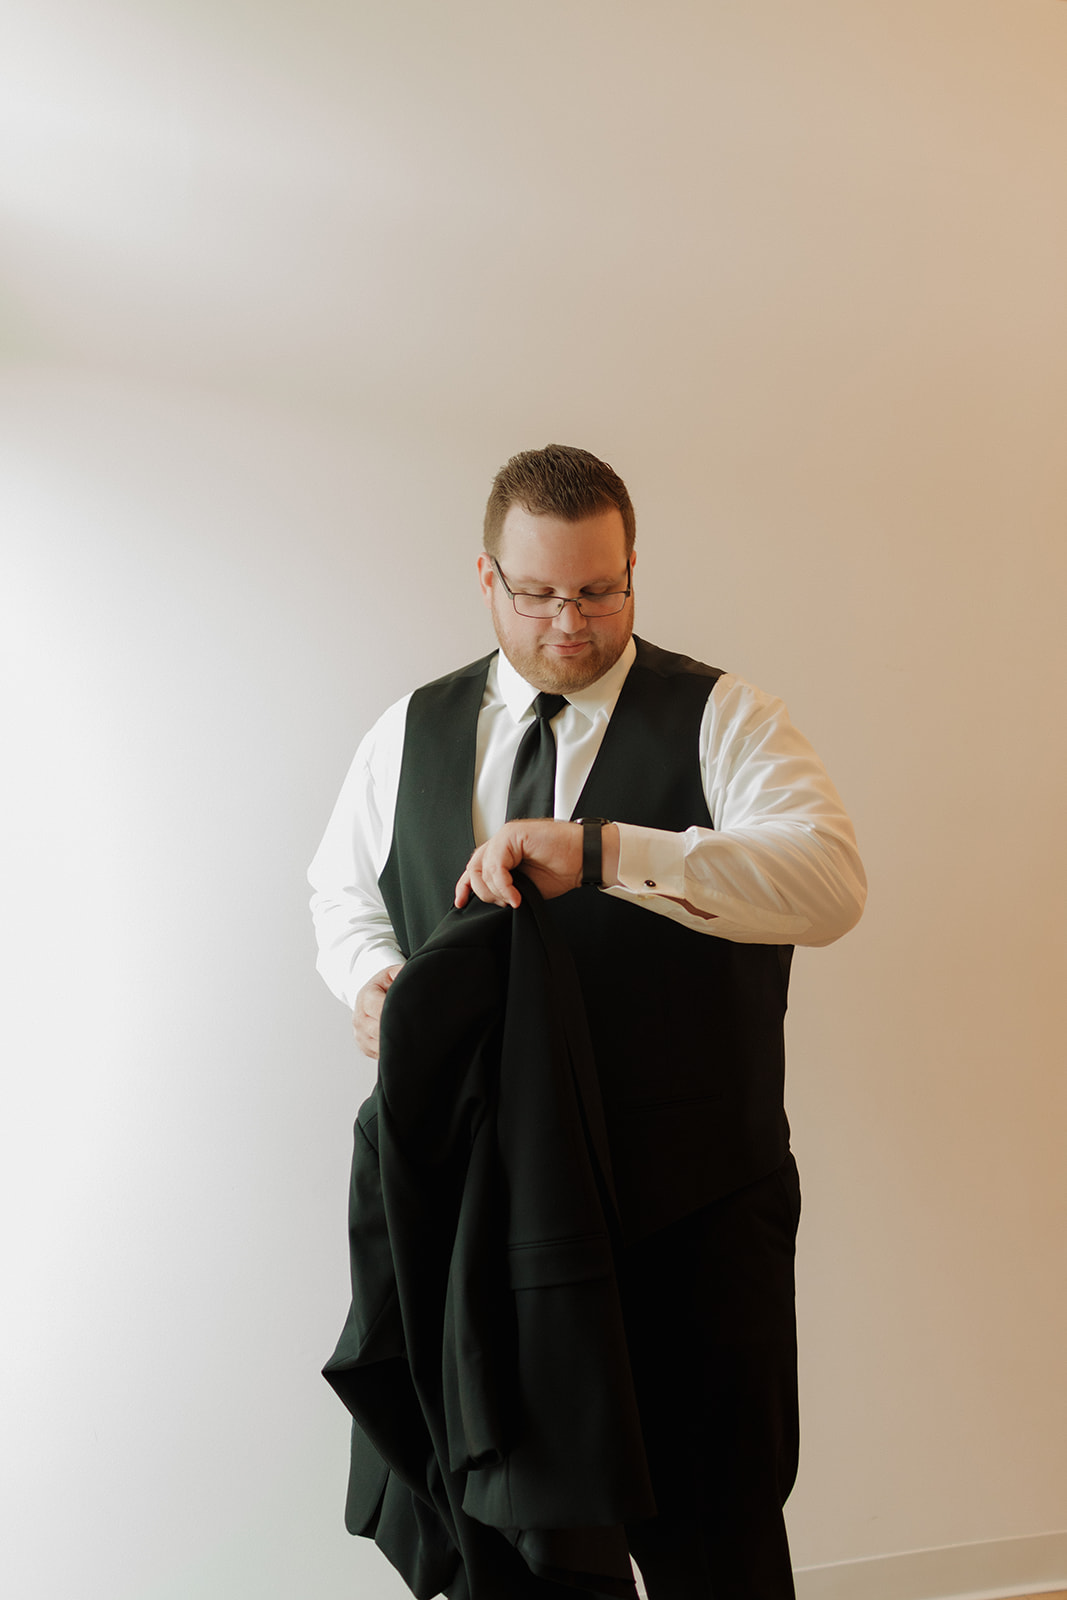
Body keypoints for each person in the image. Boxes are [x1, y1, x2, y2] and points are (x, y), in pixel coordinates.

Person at [309, 443, 866, 1600]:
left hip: (693, 1218)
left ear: (630, 572)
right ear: (486, 578)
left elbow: (827, 884)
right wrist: (370, 984)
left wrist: (608, 852)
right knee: (515, 1551)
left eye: (600, 589)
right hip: (487, 1231)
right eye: (541, 591)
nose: (572, 619)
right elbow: (340, 890)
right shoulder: (407, 731)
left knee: (715, 1543)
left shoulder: (724, 718)